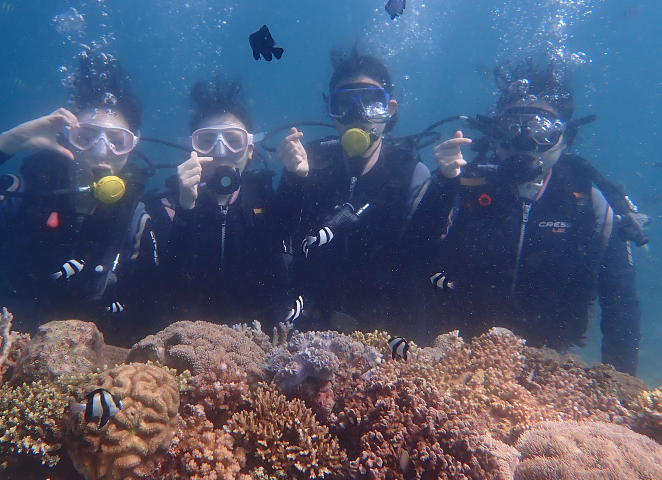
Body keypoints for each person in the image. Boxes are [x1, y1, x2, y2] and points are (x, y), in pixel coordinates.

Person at [0, 50, 158, 345]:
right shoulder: (24, 194)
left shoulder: (137, 219)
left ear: (134, 145)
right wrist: (7, 143)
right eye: (86, 136)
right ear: (66, 136)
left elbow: (149, 304)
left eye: (117, 141)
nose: (101, 152)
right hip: (7, 361)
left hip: (98, 371)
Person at [415, 61, 642, 374]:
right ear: (494, 134)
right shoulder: (465, 185)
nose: (525, 142)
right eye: (512, 128)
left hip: (554, 368)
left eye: (542, 130)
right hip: (455, 359)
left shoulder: (589, 201)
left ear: (566, 137)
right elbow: (412, 252)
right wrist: (443, 184)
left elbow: (620, 301)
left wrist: (619, 382)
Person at [275, 47, 430, 334]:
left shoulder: (410, 173)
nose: (357, 114)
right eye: (343, 102)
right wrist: (292, 181)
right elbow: (277, 239)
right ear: (331, 112)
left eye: (372, 102)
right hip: (311, 331)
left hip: (384, 333)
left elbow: (422, 257)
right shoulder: (309, 164)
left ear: (390, 110)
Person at [146, 76, 288, 328]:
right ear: (193, 151)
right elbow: (170, 285)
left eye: (234, 141)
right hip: (187, 341)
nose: (220, 152)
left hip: (255, 339)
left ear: (250, 150)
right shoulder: (166, 204)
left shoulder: (267, 201)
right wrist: (186, 208)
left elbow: (280, 271)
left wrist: (295, 181)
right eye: (207, 141)